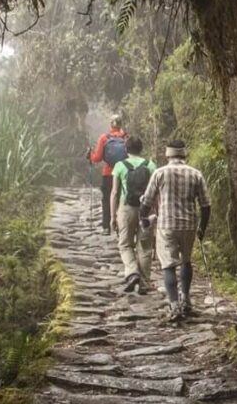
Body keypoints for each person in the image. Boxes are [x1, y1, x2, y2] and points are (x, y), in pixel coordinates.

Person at [139, 139, 211, 321]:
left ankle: (174, 305)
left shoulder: (159, 173)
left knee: (168, 265)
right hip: (189, 225)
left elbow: (147, 200)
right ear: (184, 154)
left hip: (166, 225)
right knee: (186, 261)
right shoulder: (196, 174)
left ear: (168, 154)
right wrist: (202, 227)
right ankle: (186, 300)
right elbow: (205, 205)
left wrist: (143, 218)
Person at [110, 135, 157, 294]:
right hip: (146, 209)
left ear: (126, 149)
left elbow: (115, 193)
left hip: (126, 208)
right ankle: (144, 281)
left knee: (125, 244)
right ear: (141, 148)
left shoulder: (120, 166)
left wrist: (112, 216)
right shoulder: (150, 165)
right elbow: (155, 193)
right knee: (145, 246)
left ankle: (132, 273)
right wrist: (156, 212)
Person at [89, 114, 128, 235]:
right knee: (122, 199)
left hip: (108, 173)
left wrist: (90, 155)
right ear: (121, 124)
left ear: (110, 124)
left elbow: (97, 158)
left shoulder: (104, 138)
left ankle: (106, 227)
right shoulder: (126, 137)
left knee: (106, 200)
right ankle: (121, 227)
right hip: (123, 173)